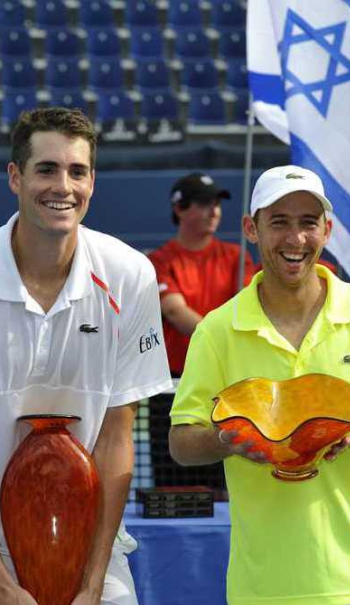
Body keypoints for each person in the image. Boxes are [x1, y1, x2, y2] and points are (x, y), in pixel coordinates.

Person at [0, 107, 172, 605]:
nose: (62, 186)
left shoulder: (132, 276)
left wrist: (91, 584)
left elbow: (116, 436)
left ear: (92, 181)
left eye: (77, 171)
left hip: (85, 539)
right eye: (46, 169)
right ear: (15, 177)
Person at [168, 165, 350, 605]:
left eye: (309, 223)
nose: (296, 239)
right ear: (251, 229)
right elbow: (181, 440)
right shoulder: (216, 330)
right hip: (266, 587)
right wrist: (231, 440)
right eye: (279, 222)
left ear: (327, 230)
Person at [147, 172, 254, 494]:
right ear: (180, 208)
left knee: (227, 488)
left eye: (218, 204)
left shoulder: (237, 258)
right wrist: (221, 342)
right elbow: (176, 313)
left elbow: (248, 311)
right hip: (175, 387)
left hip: (228, 385)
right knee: (175, 488)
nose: (215, 211)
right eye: (205, 204)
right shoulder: (159, 261)